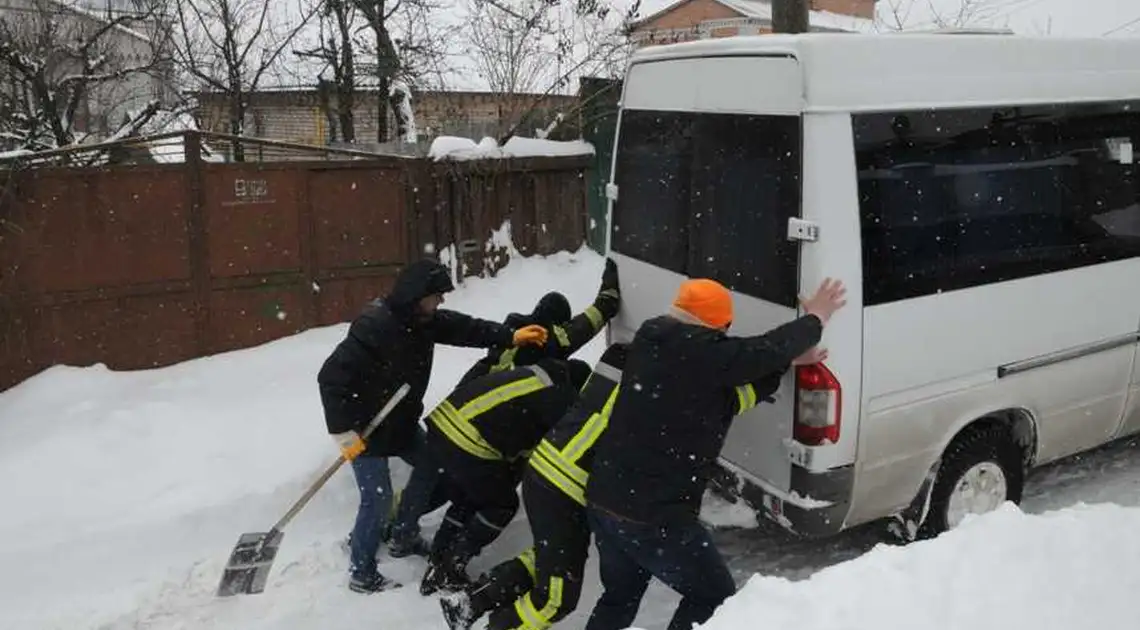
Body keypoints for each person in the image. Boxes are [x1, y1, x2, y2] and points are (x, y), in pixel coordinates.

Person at [582, 277, 848, 630]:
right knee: (713, 596)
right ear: (716, 327)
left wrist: (785, 362)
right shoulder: (705, 354)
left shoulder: (651, 339)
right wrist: (815, 318)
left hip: (605, 500)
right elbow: (758, 352)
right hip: (655, 516)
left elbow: (738, 373)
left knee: (620, 595)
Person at [318, 258, 549, 594]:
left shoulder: (422, 321)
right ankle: (362, 572)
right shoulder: (375, 326)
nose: (440, 302)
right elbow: (330, 378)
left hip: (399, 422)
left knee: (434, 464)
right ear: (417, 294)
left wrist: (511, 335)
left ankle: (404, 535)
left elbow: (465, 328)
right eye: (436, 296)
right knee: (377, 498)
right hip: (363, 428)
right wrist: (345, 435)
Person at [418, 357, 594, 597]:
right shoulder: (559, 397)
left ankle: (439, 558)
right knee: (501, 505)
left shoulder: (534, 373)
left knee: (470, 496)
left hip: (446, 424)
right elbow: (551, 447)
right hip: (468, 440)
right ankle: (449, 566)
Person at [456, 258, 620, 387]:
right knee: (575, 372)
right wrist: (609, 292)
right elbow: (588, 322)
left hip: (468, 397)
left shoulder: (510, 334)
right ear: (557, 322)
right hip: (499, 410)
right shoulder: (544, 338)